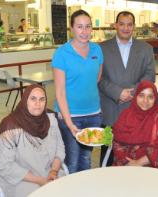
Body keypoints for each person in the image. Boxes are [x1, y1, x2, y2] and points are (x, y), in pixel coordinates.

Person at [99, 11, 155, 166]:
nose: (125, 28)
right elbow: (98, 78)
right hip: (110, 111)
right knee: (107, 156)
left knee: (133, 155)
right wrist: (117, 92)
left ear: (134, 27)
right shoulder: (101, 48)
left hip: (136, 110)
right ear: (115, 25)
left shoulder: (145, 49)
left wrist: (133, 92)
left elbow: (150, 75)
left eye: (129, 24)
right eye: (122, 24)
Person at [0, 85, 65, 197]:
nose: (38, 104)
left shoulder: (50, 120)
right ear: (25, 101)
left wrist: (53, 171)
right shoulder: (10, 126)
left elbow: (60, 148)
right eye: (33, 98)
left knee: (66, 188)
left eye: (42, 99)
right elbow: (5, 165)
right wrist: (40, 180)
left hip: (47, 171)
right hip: (18, 178)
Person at [51, 9, 103, 173]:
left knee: (86, 159)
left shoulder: (97, 50)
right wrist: (68, 121)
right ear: (71, 28)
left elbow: (97, 78)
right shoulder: (61, 53)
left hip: (94, 114)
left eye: (88, 27)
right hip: (71, 115)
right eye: (80, 27)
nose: (84, 31)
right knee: (72, 161)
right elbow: (59, 92)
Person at [112, 80, 158, 168]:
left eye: (150, 97)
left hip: (152, 167)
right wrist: (127, 163)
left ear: (155, 99)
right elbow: (117, 142)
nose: (145, 101)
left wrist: (138, 163)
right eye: (141, 95)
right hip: (126, 164)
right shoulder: (126, 115)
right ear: (136, 96)